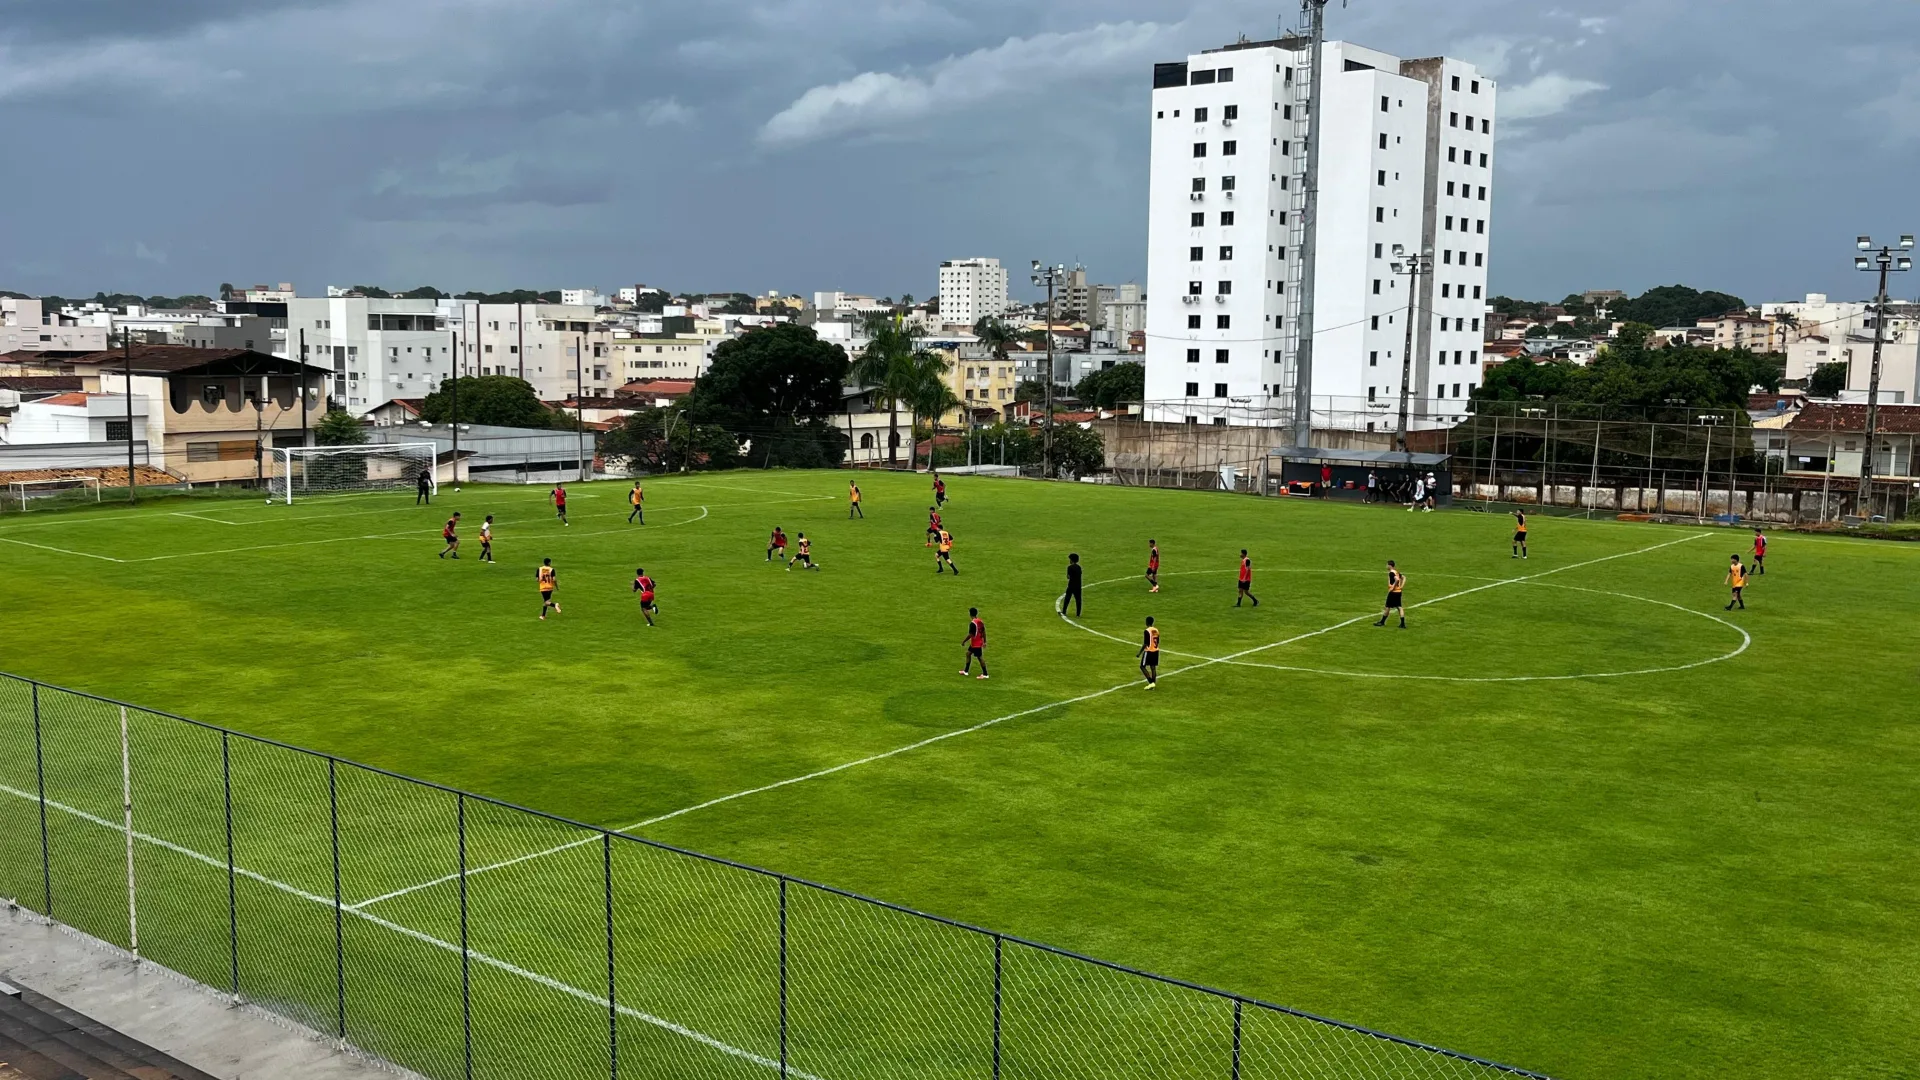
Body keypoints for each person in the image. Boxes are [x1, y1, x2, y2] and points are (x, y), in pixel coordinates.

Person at [1374, 560, 1407, 628]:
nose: (1386, 566)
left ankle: (1382, 622)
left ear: (1390, 565)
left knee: (1387, 606)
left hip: (1393, 592)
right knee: (1399, 607)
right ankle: (1402, 624)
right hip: (1399, 592)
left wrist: (1393, 587)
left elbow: (1397, 579)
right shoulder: (1396, 572)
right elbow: (1404, 577)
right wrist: (1401, 586)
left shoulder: (1391, 573)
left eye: (1387, 565)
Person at [960, 607, 989, 679]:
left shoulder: (973, 624)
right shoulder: (980, 621)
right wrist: (984, 641)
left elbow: (971, 635)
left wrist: (964, 641)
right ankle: (966, 671)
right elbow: (983, 632)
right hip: (976, 643)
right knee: (968, 654)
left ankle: (985, 674)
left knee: (980, 658)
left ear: (970, 614)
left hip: (976, 644)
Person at [1138, 616, 1160, 689]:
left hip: (1149, 651)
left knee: (1142, 666)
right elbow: (1158, 641)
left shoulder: (1147, 631)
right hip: (1156, 650)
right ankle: (1153, 685)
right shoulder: (1156, 630)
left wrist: (1139, 653)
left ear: (1147, 622)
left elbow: (1146, 643)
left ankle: (1151, 682)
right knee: (1153, 667)